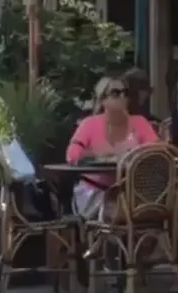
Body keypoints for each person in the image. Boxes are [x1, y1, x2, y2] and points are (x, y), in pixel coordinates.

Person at [65, 76, 161, 221]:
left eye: (125, 93)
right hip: (95, 191)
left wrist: (132, 154)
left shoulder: (140, 122)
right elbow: (72, 155)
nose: (122, 97)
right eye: (116, 93)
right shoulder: (89, 124)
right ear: (103, 99)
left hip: (134, 192)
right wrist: (99, 154)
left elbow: (158, 151)